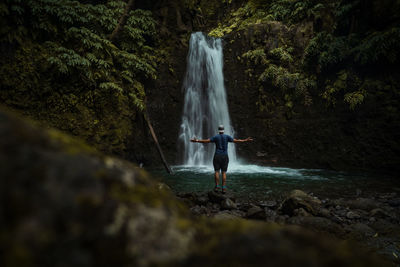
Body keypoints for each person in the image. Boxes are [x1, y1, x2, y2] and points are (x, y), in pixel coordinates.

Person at [190, 125, 253, 193]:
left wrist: (197, 140)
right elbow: (236, 141)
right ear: (223, 130)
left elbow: (206, 141)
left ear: (218, 130)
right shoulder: (227, 137)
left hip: (217, 155)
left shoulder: (216, 137)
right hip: (225, 156)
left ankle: (217, 186)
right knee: (224, 172)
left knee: (217, 171)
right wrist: (245, 140)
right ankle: (224, 187)